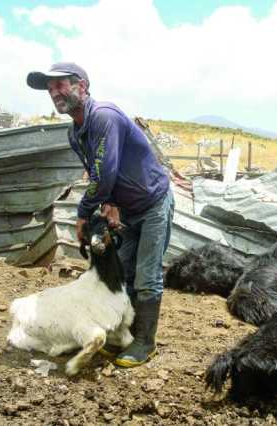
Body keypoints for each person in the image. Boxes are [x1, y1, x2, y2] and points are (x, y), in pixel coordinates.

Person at [26, 62, 174, 368]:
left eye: (61, 84)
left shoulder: (104, 116)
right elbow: (100, 173)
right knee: (125, 272)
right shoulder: (75, 133)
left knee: (147, 274)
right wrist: (109, 203)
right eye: (50, 88)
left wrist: (83, 213)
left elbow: (103, 176)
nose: (55, 92)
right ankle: (128, 336)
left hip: (154, 203)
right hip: (129, 208)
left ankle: (146, 342)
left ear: (83, 85)